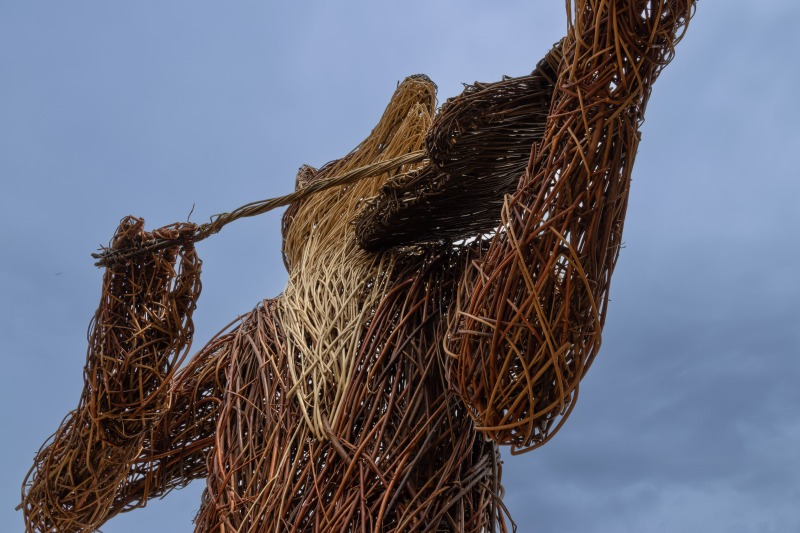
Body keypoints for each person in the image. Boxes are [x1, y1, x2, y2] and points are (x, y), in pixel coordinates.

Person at [21, 2, 695, 531]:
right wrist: (125, 368)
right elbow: (67, 504)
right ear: (298, 225)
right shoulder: (251, 350)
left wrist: (601, 88)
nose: (325, 181)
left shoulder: (437, 290)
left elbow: (517, 394)